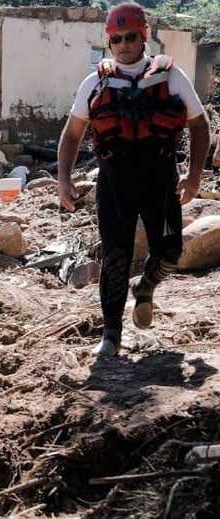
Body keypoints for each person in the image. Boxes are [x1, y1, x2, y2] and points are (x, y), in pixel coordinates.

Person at [57, 2, 209, 357]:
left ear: (143, 38)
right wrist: (63, 179)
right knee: (115, 257)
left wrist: (194, 176)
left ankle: (146, 289)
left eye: (130, 37)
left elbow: (200, 126)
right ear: (109, 43)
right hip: (114, 185)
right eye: (116, 39)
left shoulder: (171, 75)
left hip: (161, 181)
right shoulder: (95, 81)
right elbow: (72, 134)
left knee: (170, 252)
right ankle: (111, 334)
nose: (123, 45)